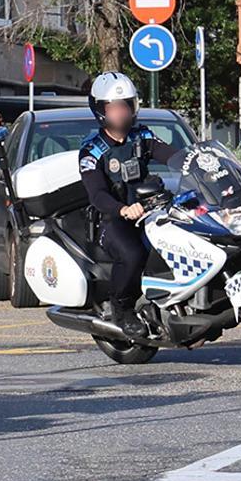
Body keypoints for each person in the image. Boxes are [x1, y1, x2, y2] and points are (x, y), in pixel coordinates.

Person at [78, 71, 174, 338]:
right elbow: (96, 194)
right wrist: (122, 209)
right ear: (101, 110)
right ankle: (122, 308)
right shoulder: (92, 150)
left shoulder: (142, 137)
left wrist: (203, 164)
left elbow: (175, 156)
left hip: (149, 212)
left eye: (125, 106)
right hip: (112, 221)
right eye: (114, 108)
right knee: (133, 254)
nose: (121, 113)